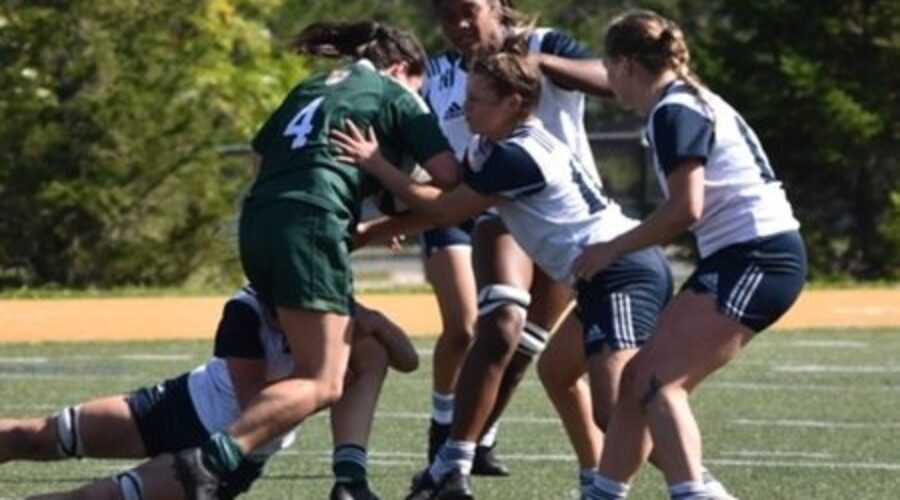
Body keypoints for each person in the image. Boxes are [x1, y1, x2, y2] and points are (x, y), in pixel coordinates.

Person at [333, 51, 671, 500]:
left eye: (476, 100)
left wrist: (379, 166)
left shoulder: (519, 154)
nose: (463, 108)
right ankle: (598, 484)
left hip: (624, 272)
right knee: (557, 372)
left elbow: (444, 209)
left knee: (616, 410)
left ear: (513, 103)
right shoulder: (491, 147)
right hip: (602, 274)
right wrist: (373, 232)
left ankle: (693, 483)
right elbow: (443, 205)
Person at [171, 20, 461, 499]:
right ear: (402, 67)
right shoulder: (397, 91)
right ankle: (212, 462)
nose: (420, 96)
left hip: (260, 223)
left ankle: (350, 482)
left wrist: (375, 204)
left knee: (363, 354)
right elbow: (449, 180)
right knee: (322, 380)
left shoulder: (309, 87)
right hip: (311, 224)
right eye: (420, 87)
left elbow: (262, 160)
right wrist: (387, 180)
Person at [574, 10, 807, 500]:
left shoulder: (673, 110)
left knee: (661, 382)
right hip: (743, 255)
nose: (610, 83)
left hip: (758, 255)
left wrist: (612, 248)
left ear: (628, 64)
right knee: (637, 378)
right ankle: (603, 493)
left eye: (609, 68)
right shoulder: (683, 102)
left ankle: (696, 493)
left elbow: (686, 208)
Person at [414, 0, 613, 482]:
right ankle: (450, 457)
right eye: (446, 16)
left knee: (526, 350)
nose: (459, 25)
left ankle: (471, 448)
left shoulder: (544, 44)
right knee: (499, 325)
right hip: (495, 213)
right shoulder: (439, 72)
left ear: (497, 5)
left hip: (570, 222)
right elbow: (434, 159)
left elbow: (613, 79)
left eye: (469, 10)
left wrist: (541, 64)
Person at [3, 286, 418, 500]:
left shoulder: (330, 308)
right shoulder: (246, 308)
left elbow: (407, 359)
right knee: (38, 435)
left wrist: (372, 319)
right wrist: (319, 385)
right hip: (179, 405)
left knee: (100, 498)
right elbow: (254, 398)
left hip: (225, 458)